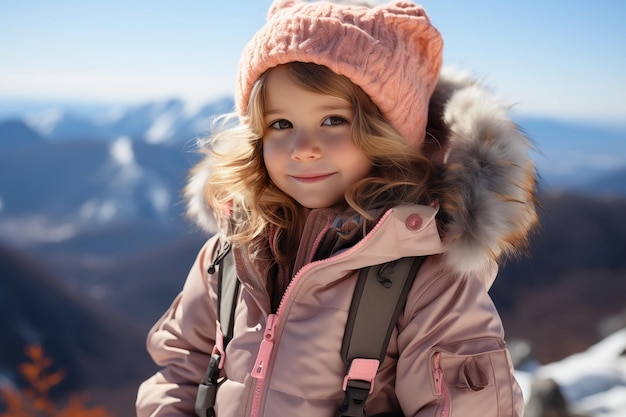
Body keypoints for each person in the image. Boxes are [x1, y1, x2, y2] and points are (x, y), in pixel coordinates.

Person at [136, 0, 538, 416]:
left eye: (333, 120)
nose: (304, 149)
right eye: (281, 124)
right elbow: (182, 365)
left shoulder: (428, 276)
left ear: (387, 133)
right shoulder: (233, 251)